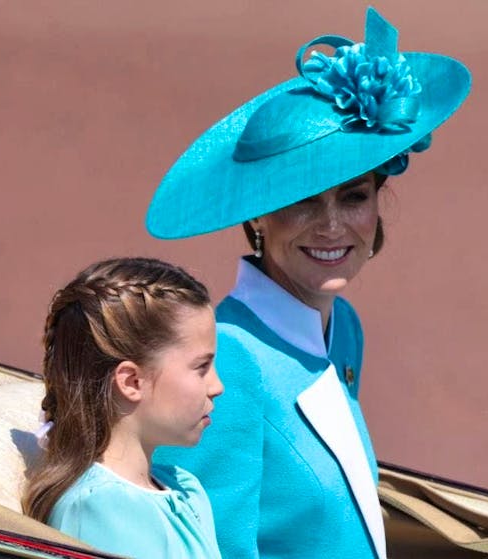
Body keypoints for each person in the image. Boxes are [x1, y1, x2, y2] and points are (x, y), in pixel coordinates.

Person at [147, 7, 471, 559]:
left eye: (354, 196)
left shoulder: (343, 330)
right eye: (301, 202)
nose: (331, 225)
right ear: (257, 217)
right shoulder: (226, 360)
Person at [22, 257, 224, 559]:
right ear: (131, 381)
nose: (217, 386)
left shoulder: (184, 487)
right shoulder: (98, 509)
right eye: (201, 367)